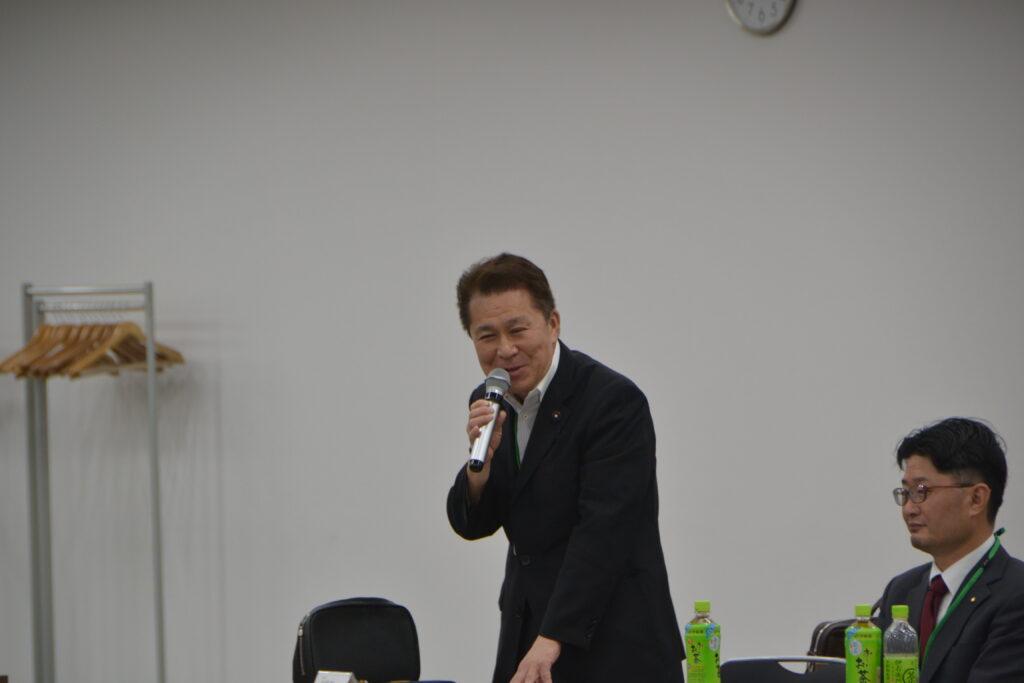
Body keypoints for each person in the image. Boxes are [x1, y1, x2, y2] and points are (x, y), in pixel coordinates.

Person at [446, 254, 684, 683]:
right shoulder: (490, 399)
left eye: (518, 329)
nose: (505, 349)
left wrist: (552, 637)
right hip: (527, 636)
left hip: (615, 644)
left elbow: (604, 531)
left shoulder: (611, 401)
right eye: (487, 335)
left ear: (552, 323)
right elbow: (474, 524)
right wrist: (479, 470)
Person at [878, 417, 1024, 683]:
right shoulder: (901, 590)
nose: (909, 509)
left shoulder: (1016, 594)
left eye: (922, 491)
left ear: (976, 499)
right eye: (905, 492)